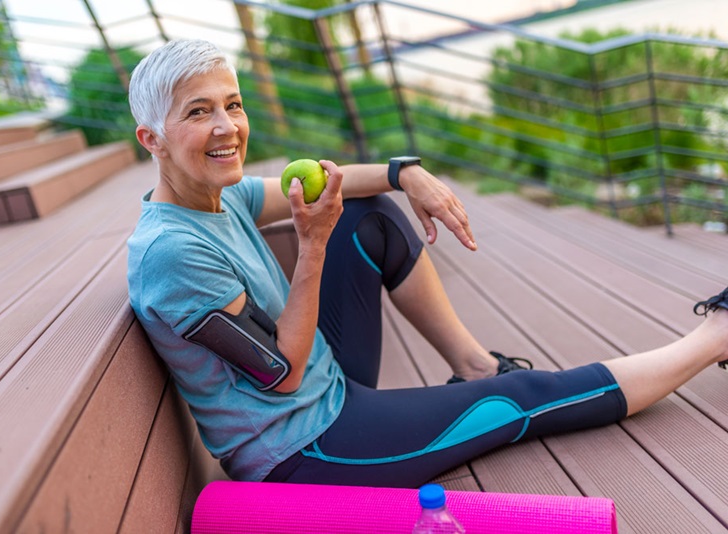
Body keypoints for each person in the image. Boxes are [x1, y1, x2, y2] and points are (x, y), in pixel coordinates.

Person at [126, 39, 728, 488]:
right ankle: (714, 337)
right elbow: (281, 373)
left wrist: (404, 173)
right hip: (305, 451)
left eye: (232, 104)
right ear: (151, 138)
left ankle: (473, 365)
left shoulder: (217, 192)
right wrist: (311, 247)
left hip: (325, 382)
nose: (227, 126)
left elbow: (339, 181)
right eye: (199, 112)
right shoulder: (173, 255)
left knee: (369, 213)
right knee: (519, 400)